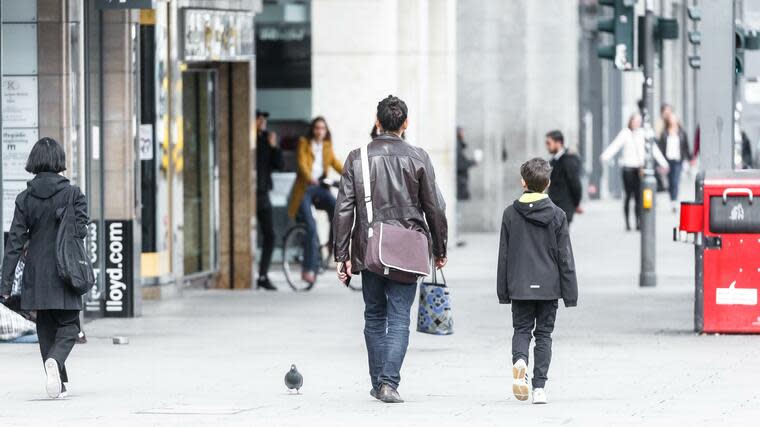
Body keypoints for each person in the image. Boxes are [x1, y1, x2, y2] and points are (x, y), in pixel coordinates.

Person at [334, 95, 448, 404]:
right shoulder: (419, 156)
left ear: (377, 121)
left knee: (374, 315)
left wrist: (341, 256)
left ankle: (378, 382)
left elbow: (344, 210)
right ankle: (388, 382)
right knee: (399, 318)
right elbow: (435, 208)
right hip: (409, 249)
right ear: (406, 123)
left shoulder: (357, 157)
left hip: (370, 249)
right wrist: (440, 247)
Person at [0, 137, 88, 399]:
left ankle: (57, 383)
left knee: (45, 327)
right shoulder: (73, 194)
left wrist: (4, 284)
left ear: (34, 162)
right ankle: (55, 363)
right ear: (59, 161)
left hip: (35, 272)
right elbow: (81, 230)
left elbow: (13, 243)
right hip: (65, 270)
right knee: (71, 326)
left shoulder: (24, 198)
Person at [497, 157, 578, 405]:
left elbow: (504, 255)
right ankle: (539, 388)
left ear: (523, 182)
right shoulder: (557, 215)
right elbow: (565, 257)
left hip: (520, 286)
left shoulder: (510, 213)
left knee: (521, 330)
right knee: (544, 335)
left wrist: (503, 291)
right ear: (548, 183)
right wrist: (570, 293)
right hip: (548, 286)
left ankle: (520, 360)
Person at [288, 117, 344, 284]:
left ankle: (331, 245)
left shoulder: (327, 146)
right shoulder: (304, 143)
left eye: (323, 128)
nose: (320, 131)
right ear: (313, 130)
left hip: (320, 187)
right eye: (317, 128)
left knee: (337, 208)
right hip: (305, 189)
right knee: (311, 227)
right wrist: (309, 177)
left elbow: (336, 163)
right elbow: (302, 164)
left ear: (326, 131)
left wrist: (350, 174)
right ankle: (308, 269)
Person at [600, 113, 668, 231]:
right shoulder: (625, 133)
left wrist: (664, 163)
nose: (636, 123)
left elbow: (654, 150)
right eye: (634, 121)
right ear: (630, 121)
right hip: (627, 168)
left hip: (639, 169)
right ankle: (627, 223)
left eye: (638, 121)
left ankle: (638, 222)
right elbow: (615, 146)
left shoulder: (643, 133)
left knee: (638, 197)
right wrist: (605, 157)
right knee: (628, 196)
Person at [255, 110, 283, 291]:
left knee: (270, 235)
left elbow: (280, 165)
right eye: (259, 118)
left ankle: (263, 275)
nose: (262, 121)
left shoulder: (266, 139)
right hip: (246, 194)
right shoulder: (248, 140)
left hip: (262, 192)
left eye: (264, 119)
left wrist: (274, 146)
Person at [545, 130, 583, 223]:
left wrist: (576, 203)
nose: (547, 146)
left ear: (558, 143)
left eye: (548, 143)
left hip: (564, 208)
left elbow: (575, 184)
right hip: (554, 208)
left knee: (560, 237)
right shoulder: (554, 160)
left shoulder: (569, 159)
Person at [657, 113, 691, 210]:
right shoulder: (664, 133)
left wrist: (689, 159)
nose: (673, 121)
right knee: (670, 181)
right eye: (671, 119)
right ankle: (672, 198)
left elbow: (686, 147)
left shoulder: (682, 132)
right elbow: (661, 147)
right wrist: (660, 162)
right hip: (667, 160)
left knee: (675, 180)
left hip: (678, 160)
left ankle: (674, 201)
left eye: (674, 119)